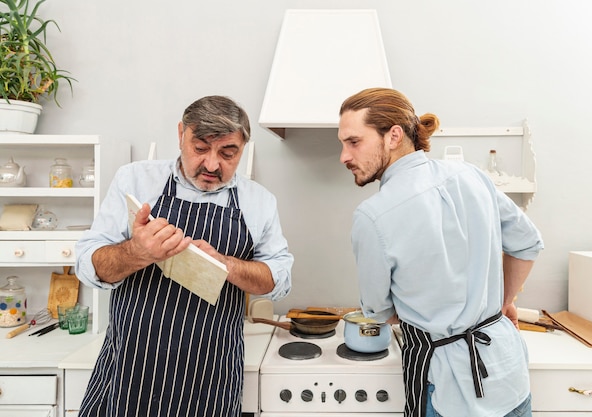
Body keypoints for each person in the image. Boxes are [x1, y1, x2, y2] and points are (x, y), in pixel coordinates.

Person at [75, 95, 293, 417]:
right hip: (130, 371)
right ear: (181, 134)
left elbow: (279, 280)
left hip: (210, 378)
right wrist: (137, 252)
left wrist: (226, 265)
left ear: (243, 148)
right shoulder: (135, 180)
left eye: (228, 153)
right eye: (200, 148)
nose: (212, 165)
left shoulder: (258, 202)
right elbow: (88, 265)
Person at [337, 88, 543, 417]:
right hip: (509, 375)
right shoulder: (472, 176)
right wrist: (502, 303)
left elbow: (378, 312)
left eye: (354, 142)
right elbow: (528, 243)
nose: (344, 156)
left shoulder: (373, 215)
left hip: (449, 389)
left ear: (393, 136)